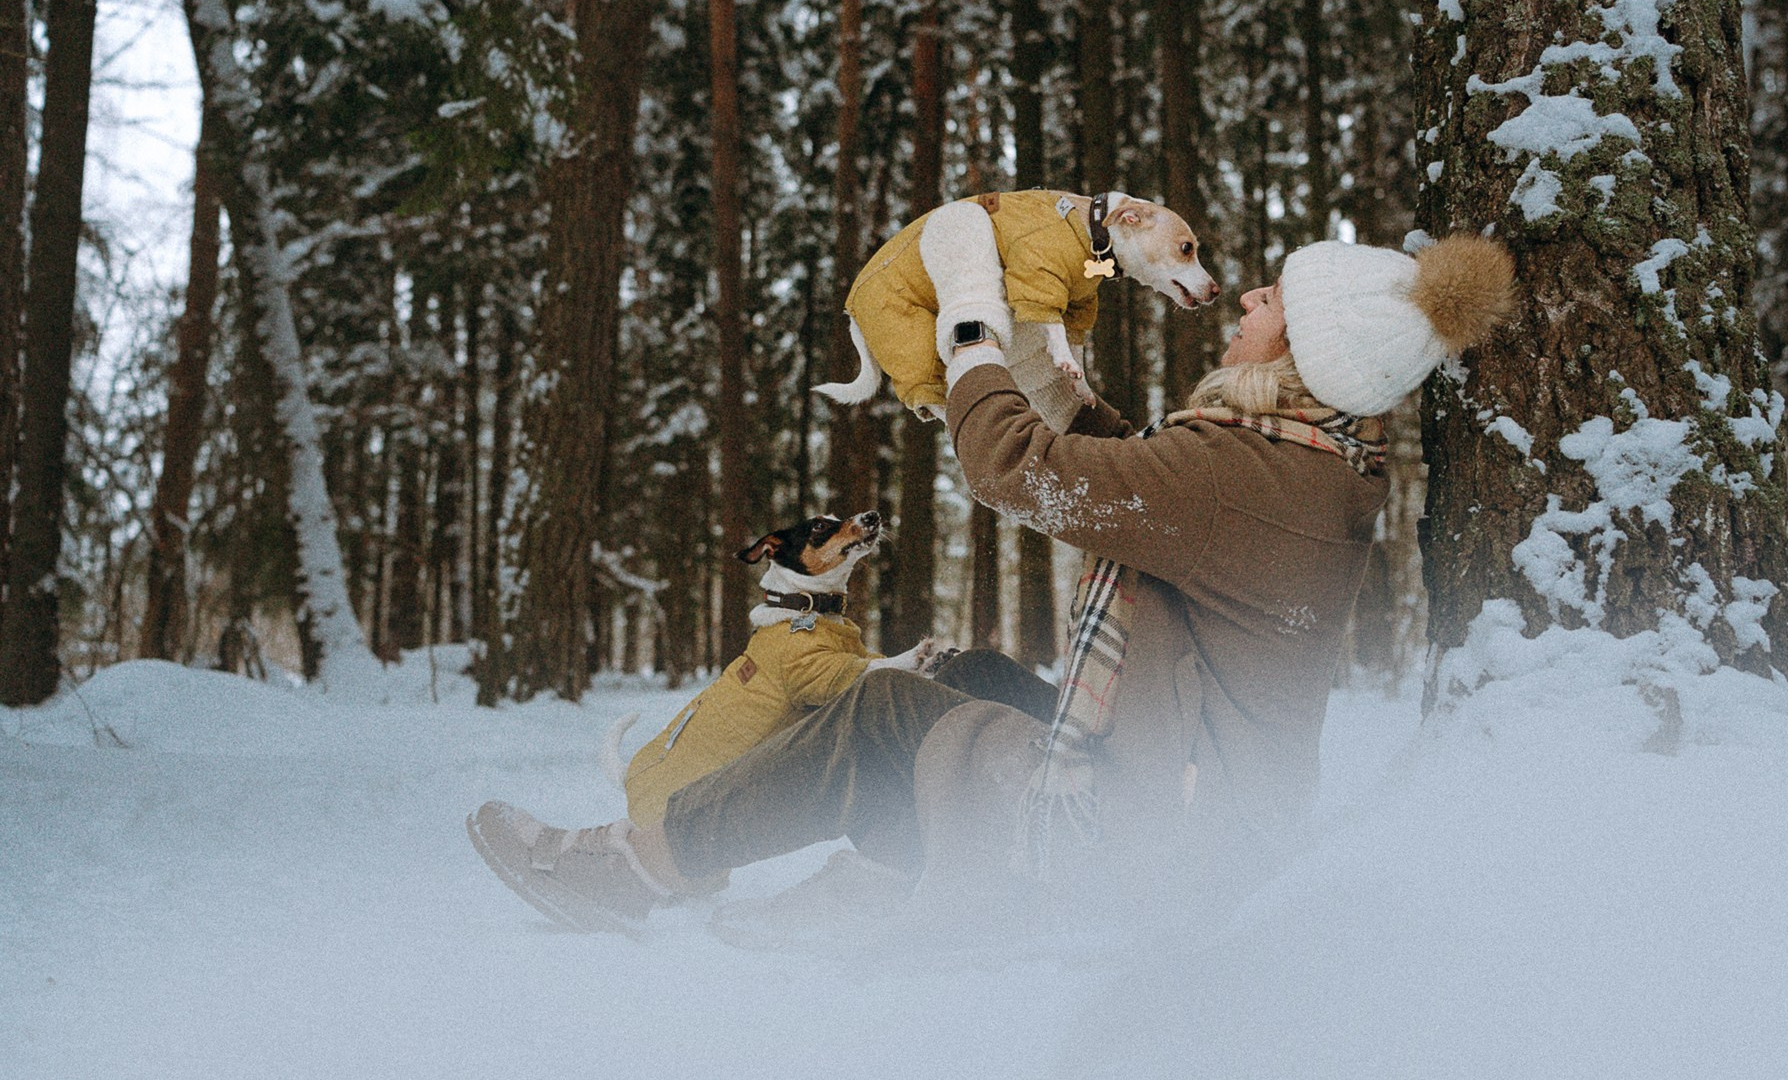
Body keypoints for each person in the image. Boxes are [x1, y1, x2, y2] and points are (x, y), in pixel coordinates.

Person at [466, 233, 1515, 936]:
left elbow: (1020, 472)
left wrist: (970, 327)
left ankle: (635, 866)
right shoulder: (1300, 467)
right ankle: (885, 889)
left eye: (1273, 298)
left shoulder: (1245, 478)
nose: (1244, 296)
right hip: (1204, 808)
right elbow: (1142, 480)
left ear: (1310, 350)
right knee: (961, 673)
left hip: (1154, 846)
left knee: (884, 704)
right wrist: (1038, 364)